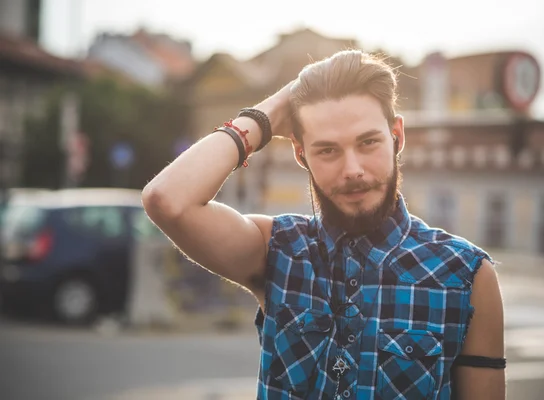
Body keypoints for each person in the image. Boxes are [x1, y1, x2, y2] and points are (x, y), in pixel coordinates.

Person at [142, 50, 505, 400]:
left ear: (397, 136)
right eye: (327, 150)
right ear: (301, 153)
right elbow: (166, 200)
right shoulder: (276, 250)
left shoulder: (465, 275)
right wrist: (267, 114)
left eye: (368, 142)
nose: (352, 170)